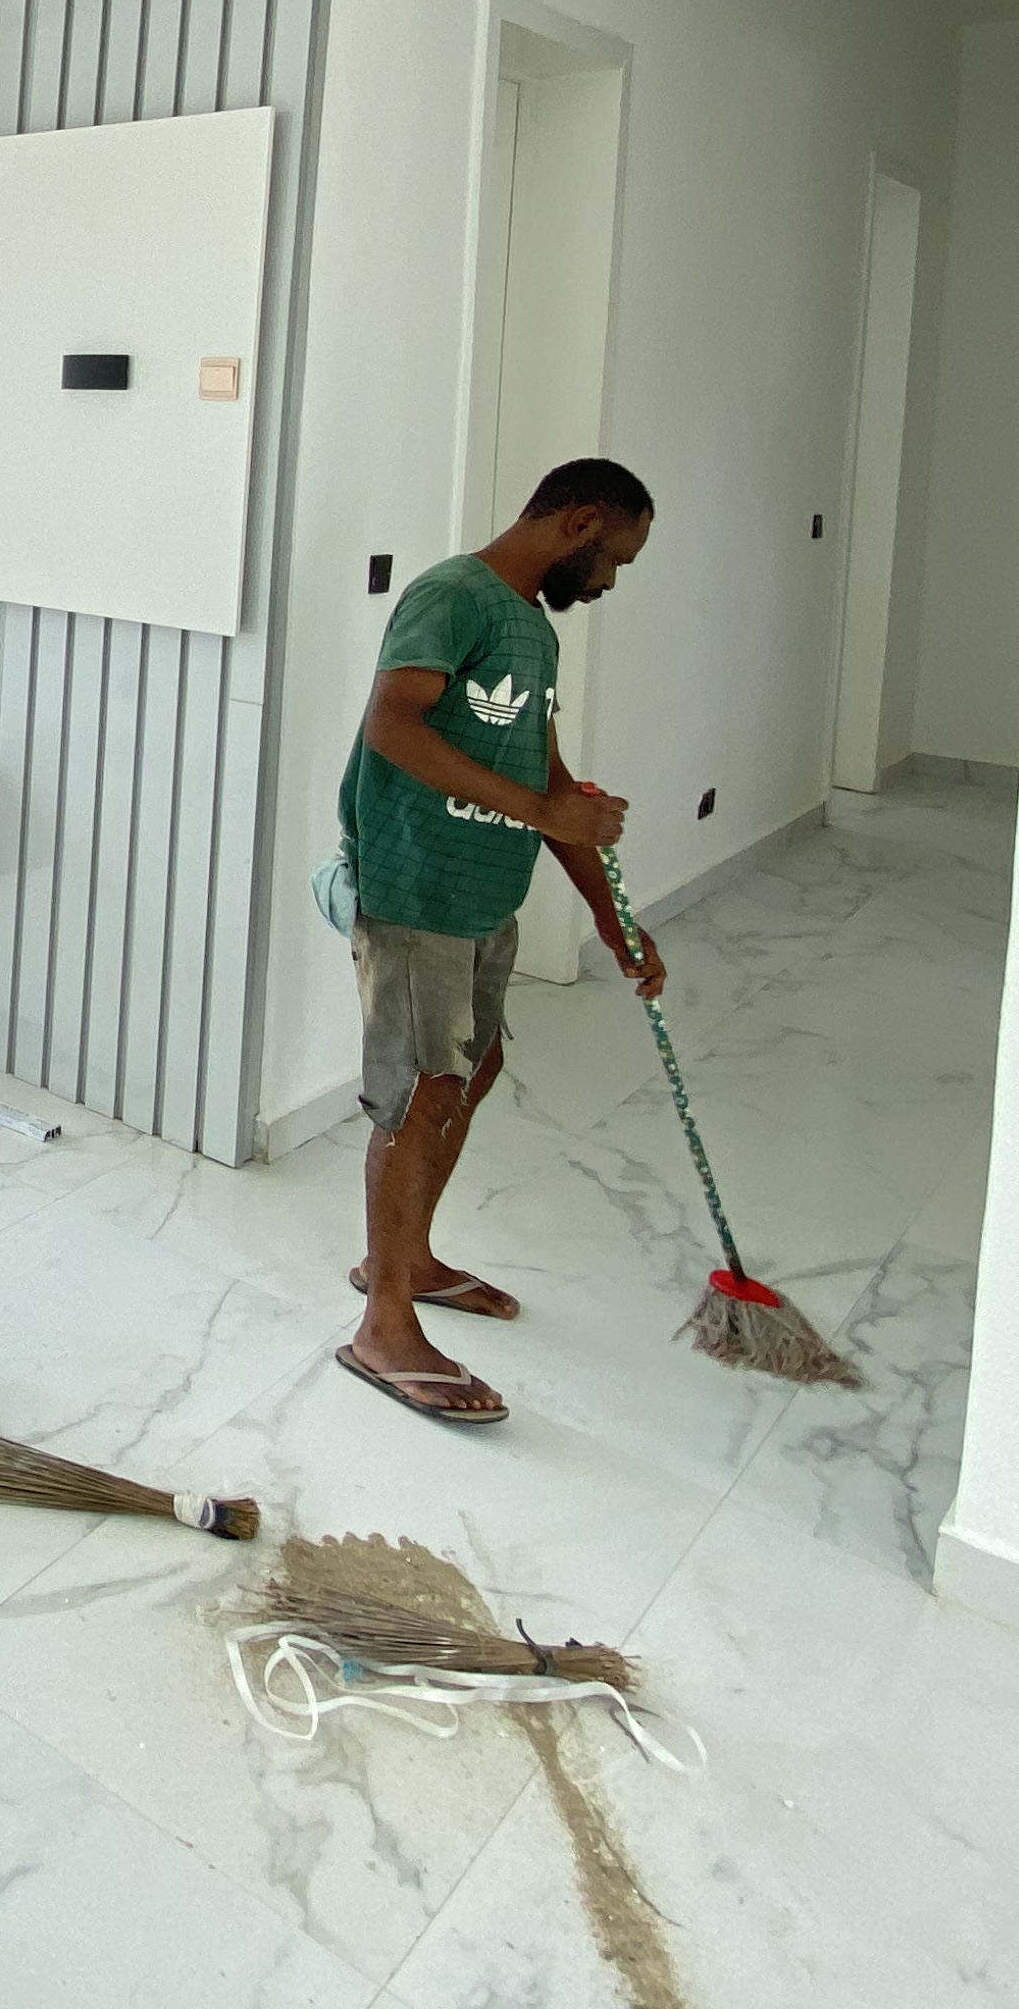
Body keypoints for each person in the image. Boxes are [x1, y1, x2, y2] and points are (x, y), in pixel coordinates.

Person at [332, 456, 664, 1423]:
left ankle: (405, 1260)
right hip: (418, 889)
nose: (609, 582)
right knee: (420, 1092)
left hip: (482, 894)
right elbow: (393, 727)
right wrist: (543, 811)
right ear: (581, 522)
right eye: (616, 559)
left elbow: (549, 785)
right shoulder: (452, 595)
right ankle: (384, 1327)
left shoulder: (532, 629)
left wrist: (612, 920)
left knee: (469, 1072)